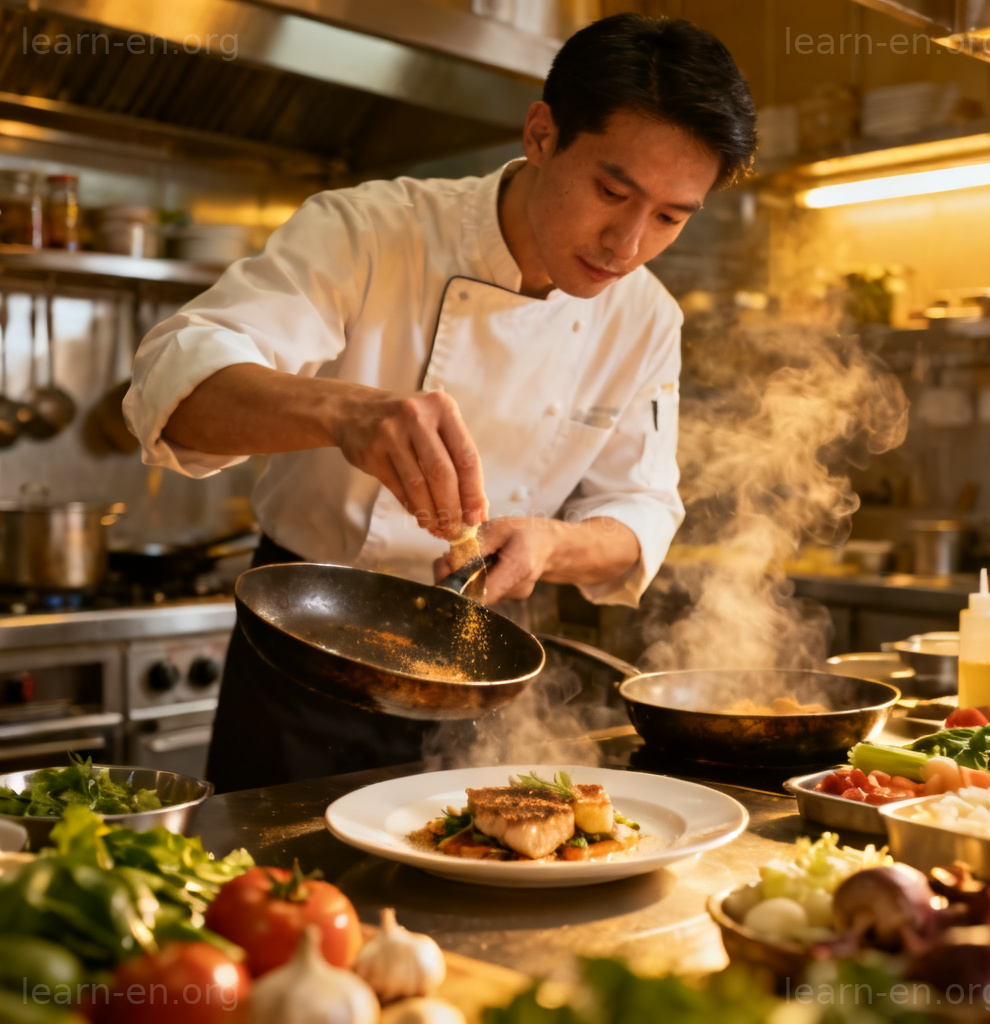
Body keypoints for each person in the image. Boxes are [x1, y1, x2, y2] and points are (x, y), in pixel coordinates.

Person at [124, 13, 757, 791]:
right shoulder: (370, 230)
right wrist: (345, 414)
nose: (626, 246)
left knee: (477, 858)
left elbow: (644, 512)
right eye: (610, 192)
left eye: (668, 217)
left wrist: (550, 545)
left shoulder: (646, 317)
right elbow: (173, 385)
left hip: (483, 666)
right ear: (541, 134)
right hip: (306, 650)